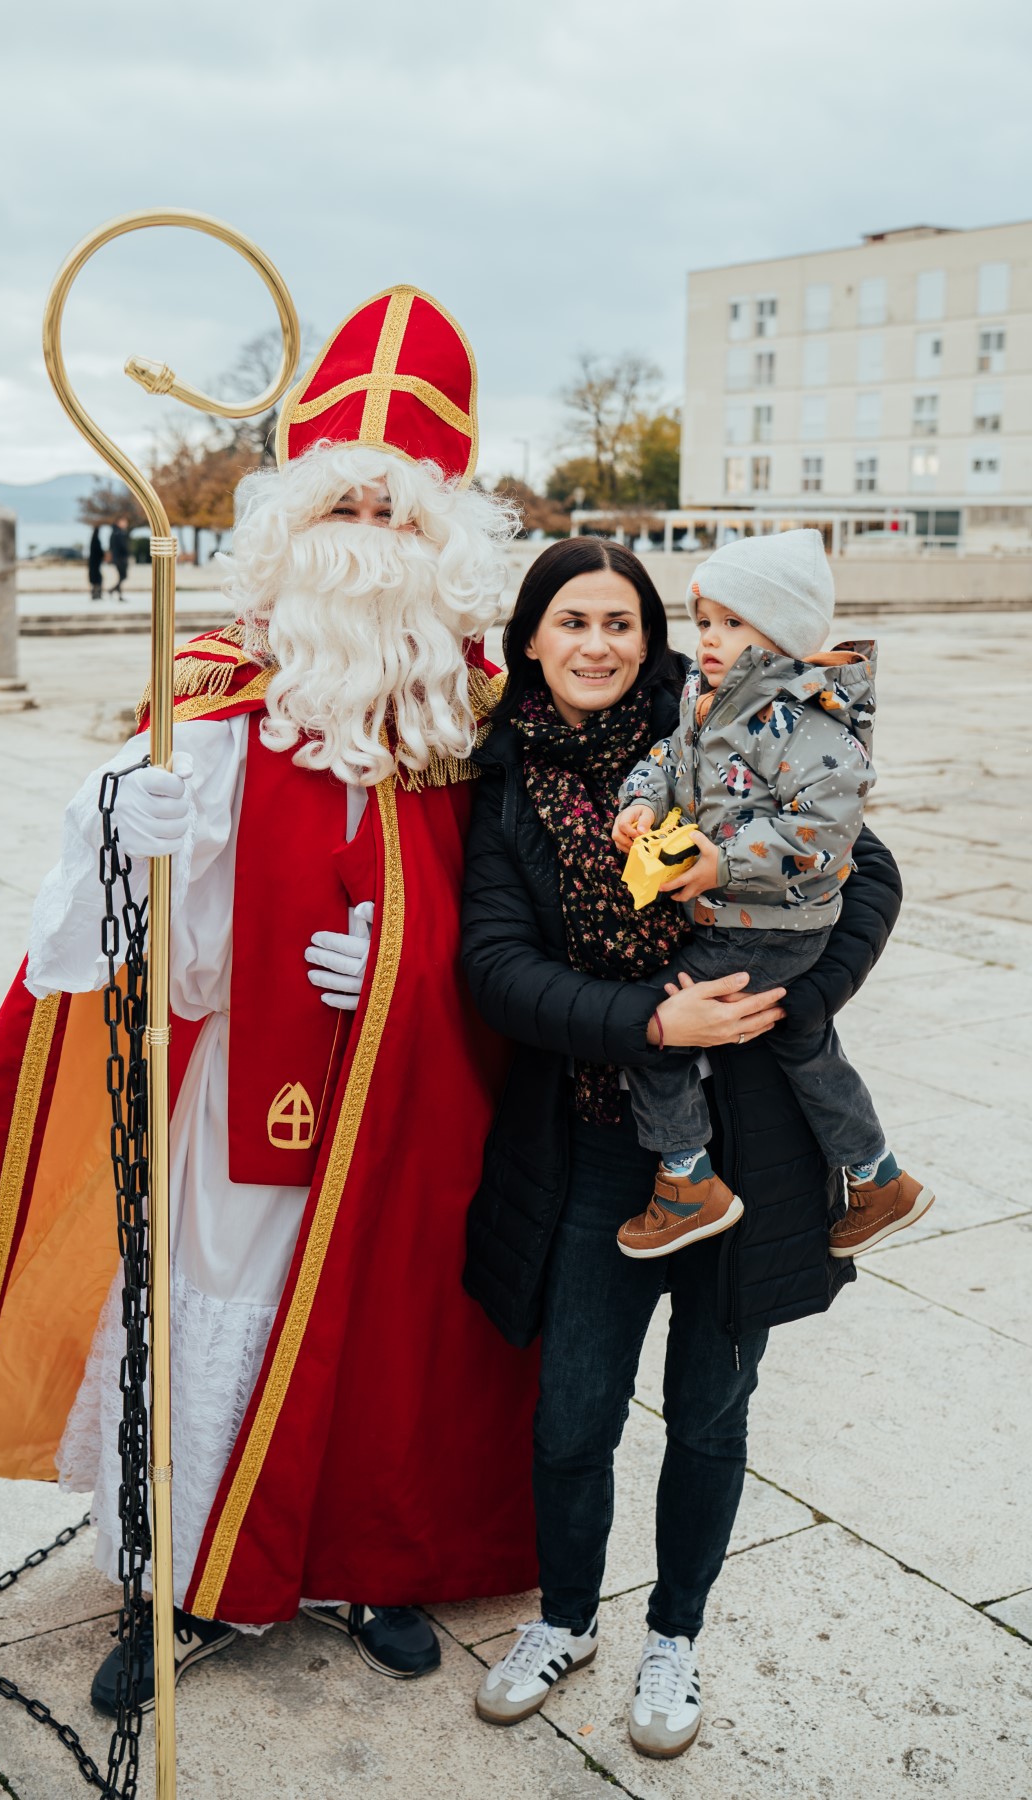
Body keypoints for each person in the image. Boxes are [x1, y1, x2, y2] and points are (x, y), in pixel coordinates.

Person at [0, 286, 540, 1711]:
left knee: (395, 1323)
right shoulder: (221, 689)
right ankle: (181, 1575)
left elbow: (531, 914)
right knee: (216, 1302)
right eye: (344, 512)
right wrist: (127, 825)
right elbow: (112, 941)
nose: (368, 547)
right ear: (293, 529)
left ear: (443, 542)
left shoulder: (481, 712)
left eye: (396, 519)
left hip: (424, 1090)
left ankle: (366, 1559)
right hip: (245, 1090)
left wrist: (412, 967)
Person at [459, 536, 902, 1759]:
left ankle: (674, 1634)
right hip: (602, 1145)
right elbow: (496, 971)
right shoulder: (507, 789)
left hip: (747, 1144)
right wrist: (651, 1018)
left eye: (621, 623)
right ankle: (563, 1619)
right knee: (571, 1416)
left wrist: (797, 1003)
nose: (600, 645)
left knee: (712, 1410)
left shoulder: (731, 723)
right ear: (532, 642)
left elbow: (865, 874)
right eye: (572, 623)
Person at [610, 529, 931, 1261]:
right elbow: (671, 758)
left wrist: (721, 864)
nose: (712, 640)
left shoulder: (812, 726)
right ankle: (876, 1176)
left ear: (782, 633)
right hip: (743, 912)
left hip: (770, 922)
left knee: (655, 1024)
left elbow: (823, 831)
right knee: (804, 1045)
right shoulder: (713, 698)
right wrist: (639, 801)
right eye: (705, 622)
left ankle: (687, 1179)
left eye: (734, 623)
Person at [108, 514, 130, 600]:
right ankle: (115, 592)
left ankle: (114, 591)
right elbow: (120, 546)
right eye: (124, 522)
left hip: (119, 558)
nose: (126, 523)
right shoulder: (117, 533)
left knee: (122, 576)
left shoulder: (119, 532)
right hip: (120, 558)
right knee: (122, 576)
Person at [87, 524, 104, 600]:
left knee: (95, 580)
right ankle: (96, 594)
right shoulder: (96, 541)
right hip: (96, 563)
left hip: (93, 563)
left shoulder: (92, 540)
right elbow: (99, 552)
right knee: (97, 579)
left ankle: (95, 594)